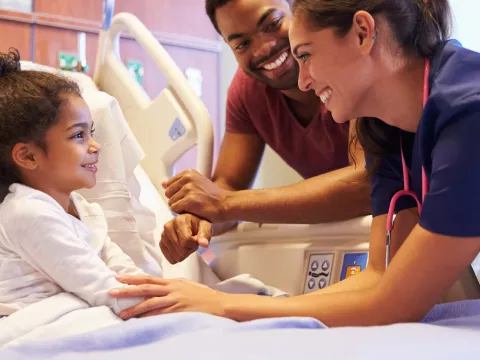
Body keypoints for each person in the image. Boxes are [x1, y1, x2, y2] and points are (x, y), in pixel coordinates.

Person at [110, 0, 480, 326]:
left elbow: (394, 304)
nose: (302, 81)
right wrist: (248, 305)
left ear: (363, 33)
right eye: (240, 42)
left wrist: (225, 306)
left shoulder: (467, 113)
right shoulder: (390, 131)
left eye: (305, 54)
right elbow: (379, 278)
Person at [159, 0, 372, 265]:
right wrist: (198, 219)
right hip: (348, 234)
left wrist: (222, 204)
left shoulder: (352, 59)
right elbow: (228, 185)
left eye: (272, 24)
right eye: (241, 44)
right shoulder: (247, 92)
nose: (264, 49)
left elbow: (366, 183)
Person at [0, 49, 144, 317]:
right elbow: (108, 291)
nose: (95, 146)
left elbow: (127, 275)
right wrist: (180, 306)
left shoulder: (85, 210)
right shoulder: (26, 213)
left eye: (91, 132)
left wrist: (171, 292)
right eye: (78, 135)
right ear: (28, 156)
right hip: (33, 326)